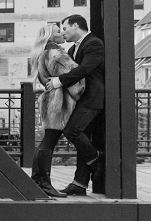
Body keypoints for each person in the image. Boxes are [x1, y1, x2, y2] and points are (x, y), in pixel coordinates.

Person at [45, 14, 106, 195]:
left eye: (65, 28)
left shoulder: (94, 44)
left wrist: (58, 81)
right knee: (82, 137)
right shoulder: (72, 50)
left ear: (76, 25)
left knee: (72, 131)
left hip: (93, 99)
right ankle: (79, 184)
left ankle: (96, 159)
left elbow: (85, 69)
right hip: (81, 99)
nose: (63, 32)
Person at [29, 22, 84, 198]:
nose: (62, 33)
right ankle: (44, 183)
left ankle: (37, 180)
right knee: (50, 142)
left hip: (49, 99)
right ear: (50, 36)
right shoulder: (56, 53)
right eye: (58, 31)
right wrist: (80, 93)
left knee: (46, 141)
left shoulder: (42, 52)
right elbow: (75, 75)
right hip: (59, 101)